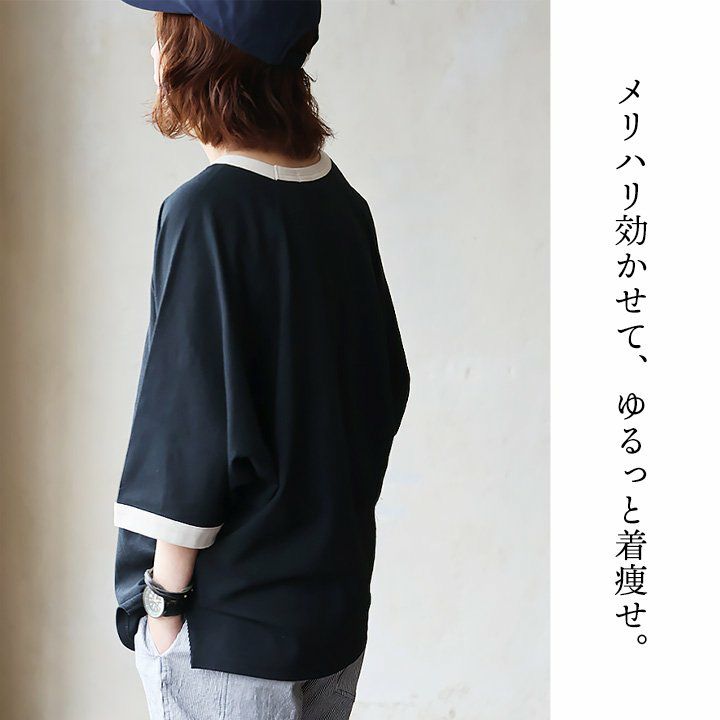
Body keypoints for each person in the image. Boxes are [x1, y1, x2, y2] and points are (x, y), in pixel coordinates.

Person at [113, 2, 411, 718]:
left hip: (227, 636)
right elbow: (383, 390)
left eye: (165, 32)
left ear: (200, 55)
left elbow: (186, 434)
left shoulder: (205, 212)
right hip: (330, 616)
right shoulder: (343, 206)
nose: (154, 53)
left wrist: (164, 607)